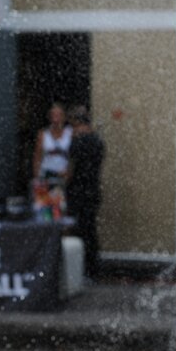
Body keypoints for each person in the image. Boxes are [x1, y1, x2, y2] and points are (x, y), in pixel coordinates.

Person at [64, 105, 106, 278]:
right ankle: (93, 269)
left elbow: (70, 169)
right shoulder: (98, 141)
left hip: (77, 191)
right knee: (90, 230)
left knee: (78, 230)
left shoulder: (76, 142)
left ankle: (80, 270)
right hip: (93, 190)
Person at [32, 102, 73, 186]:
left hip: (64, 174)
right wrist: (37, 177)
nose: (56, 119)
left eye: (59, 115)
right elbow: (37, 157)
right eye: (53, 115)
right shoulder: (43, 134)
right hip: (47, 173)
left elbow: (74, 155)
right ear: (49, 118)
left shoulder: (70, 133)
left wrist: (69, 172)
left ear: (64, 117)